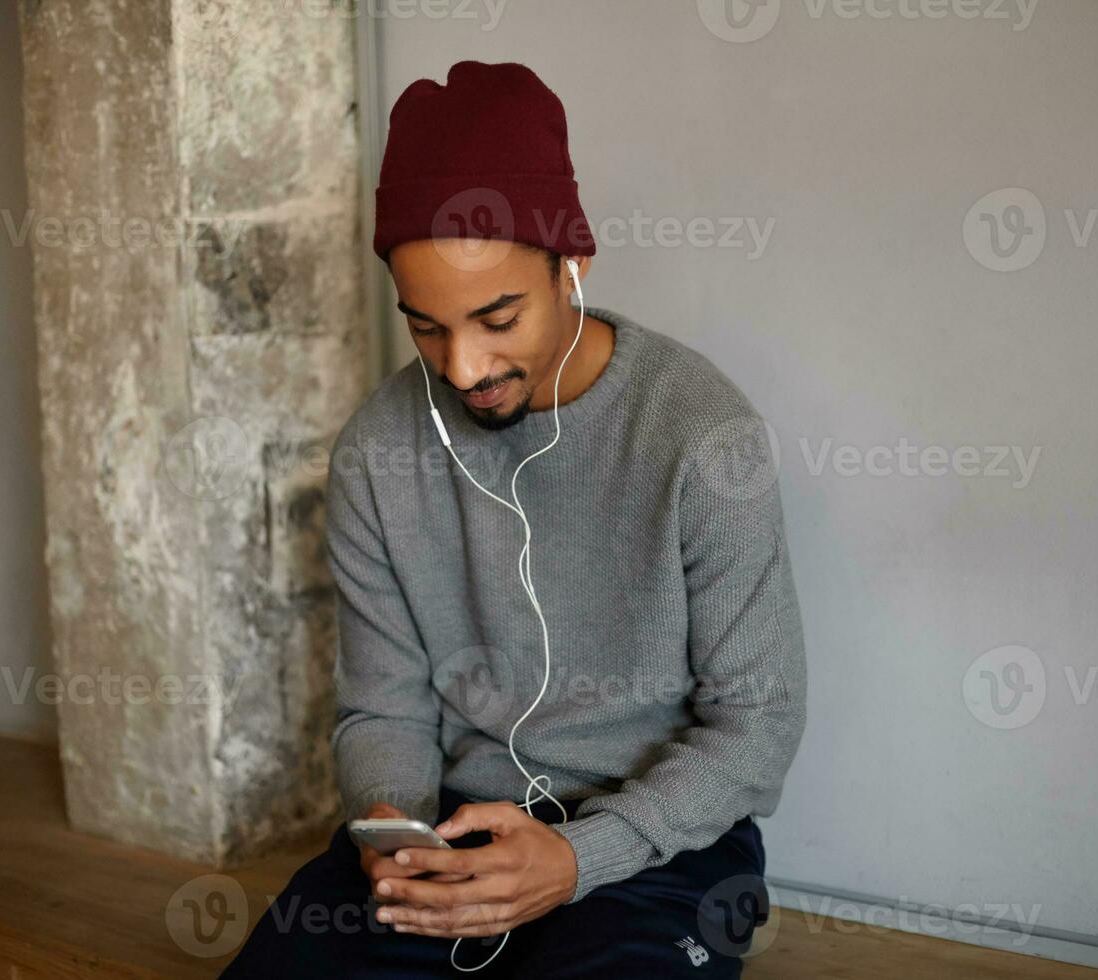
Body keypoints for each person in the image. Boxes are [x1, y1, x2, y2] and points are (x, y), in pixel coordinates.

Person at [222, 59, 807, 978]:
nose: (462, 368)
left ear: (571, 263)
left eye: (498, 317)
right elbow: (383, 708)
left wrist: (581, 857)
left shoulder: (701, 437)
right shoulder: (377, 453)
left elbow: (757, 727)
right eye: (426, 327)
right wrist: (392, 835)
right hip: (448, 826)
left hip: (656, 851)